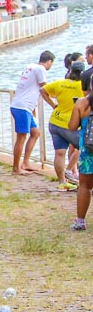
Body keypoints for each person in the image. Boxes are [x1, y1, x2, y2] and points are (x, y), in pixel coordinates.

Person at [9, 50, 55, 176]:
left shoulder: (30, 67)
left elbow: (29, 88)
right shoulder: (41, 69)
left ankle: (25, 163)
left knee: (35, 133)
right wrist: (54, 103)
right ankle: (16, 168)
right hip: (22, 108)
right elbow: (44, 88)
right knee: (21, 137)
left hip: (23, 107)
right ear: (49, 61)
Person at [41, 61, 84, 190]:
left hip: (55, 121)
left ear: (70, 71)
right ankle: (82, 179)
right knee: (85, 149)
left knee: (59, 153)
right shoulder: (82, 86)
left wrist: (52, 104)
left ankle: (62, 182)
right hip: (71, 125)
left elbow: (42, 90)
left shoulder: (59, 83)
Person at [67, 92, 93, 231]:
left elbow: (72, 126)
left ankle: (80, 222)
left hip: (88, 152)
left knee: (85, 186)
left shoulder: (82, 103)